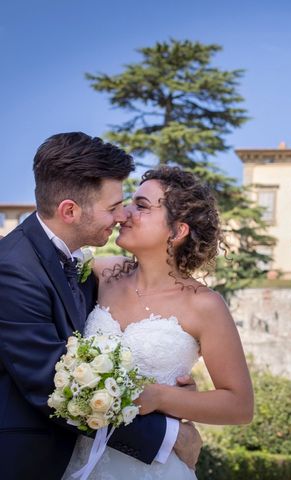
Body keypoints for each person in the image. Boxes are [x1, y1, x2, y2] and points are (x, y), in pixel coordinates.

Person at [0, 133, 203, 479]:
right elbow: (53, 385)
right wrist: (170, 436)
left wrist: (174, 393)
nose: (123, 214)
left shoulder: (90, 268)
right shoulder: (13, 269)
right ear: (69, 211)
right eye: (112, 207)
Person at [63, 166, 254, 478]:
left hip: (152, 468)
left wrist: (164, 397)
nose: (123, 214)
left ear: (178, 231)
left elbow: (240, 405)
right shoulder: (102, 272)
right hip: (78, 459)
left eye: (141, 206)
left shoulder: (205, 305)